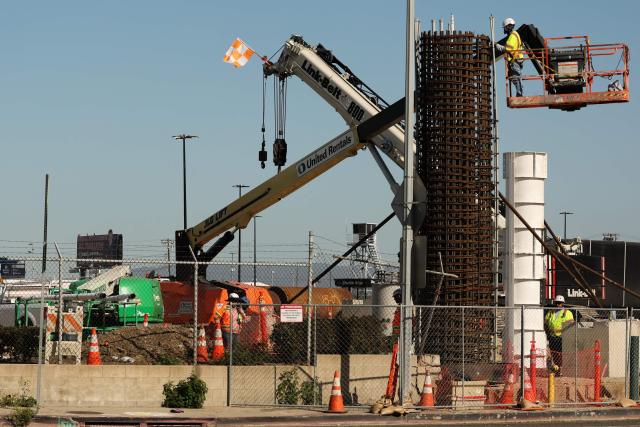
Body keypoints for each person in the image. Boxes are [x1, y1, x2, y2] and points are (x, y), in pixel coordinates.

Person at [544, 295, 574, 372]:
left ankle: (562, 368)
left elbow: (571, 325)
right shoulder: (551, 312)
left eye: (560, 303)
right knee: (553, 353)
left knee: (561, 354)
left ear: (563, 303)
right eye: (557, 303)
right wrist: (547, 334)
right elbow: (546, 323)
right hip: (552, 336)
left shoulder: (567, 313)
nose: (558, 305)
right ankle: (557, 367)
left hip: (562, 337)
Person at [496, 17, 524, 97]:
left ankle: (520, 93)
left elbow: (508, 49)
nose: (504, 29)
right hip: (516, 59)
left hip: (515, 60)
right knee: (513, 77)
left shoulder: (513, 36)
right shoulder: (515, 35)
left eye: (505, 27)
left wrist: (497, 46)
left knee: (515, 77)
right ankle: (519, 92)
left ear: (508, 26)